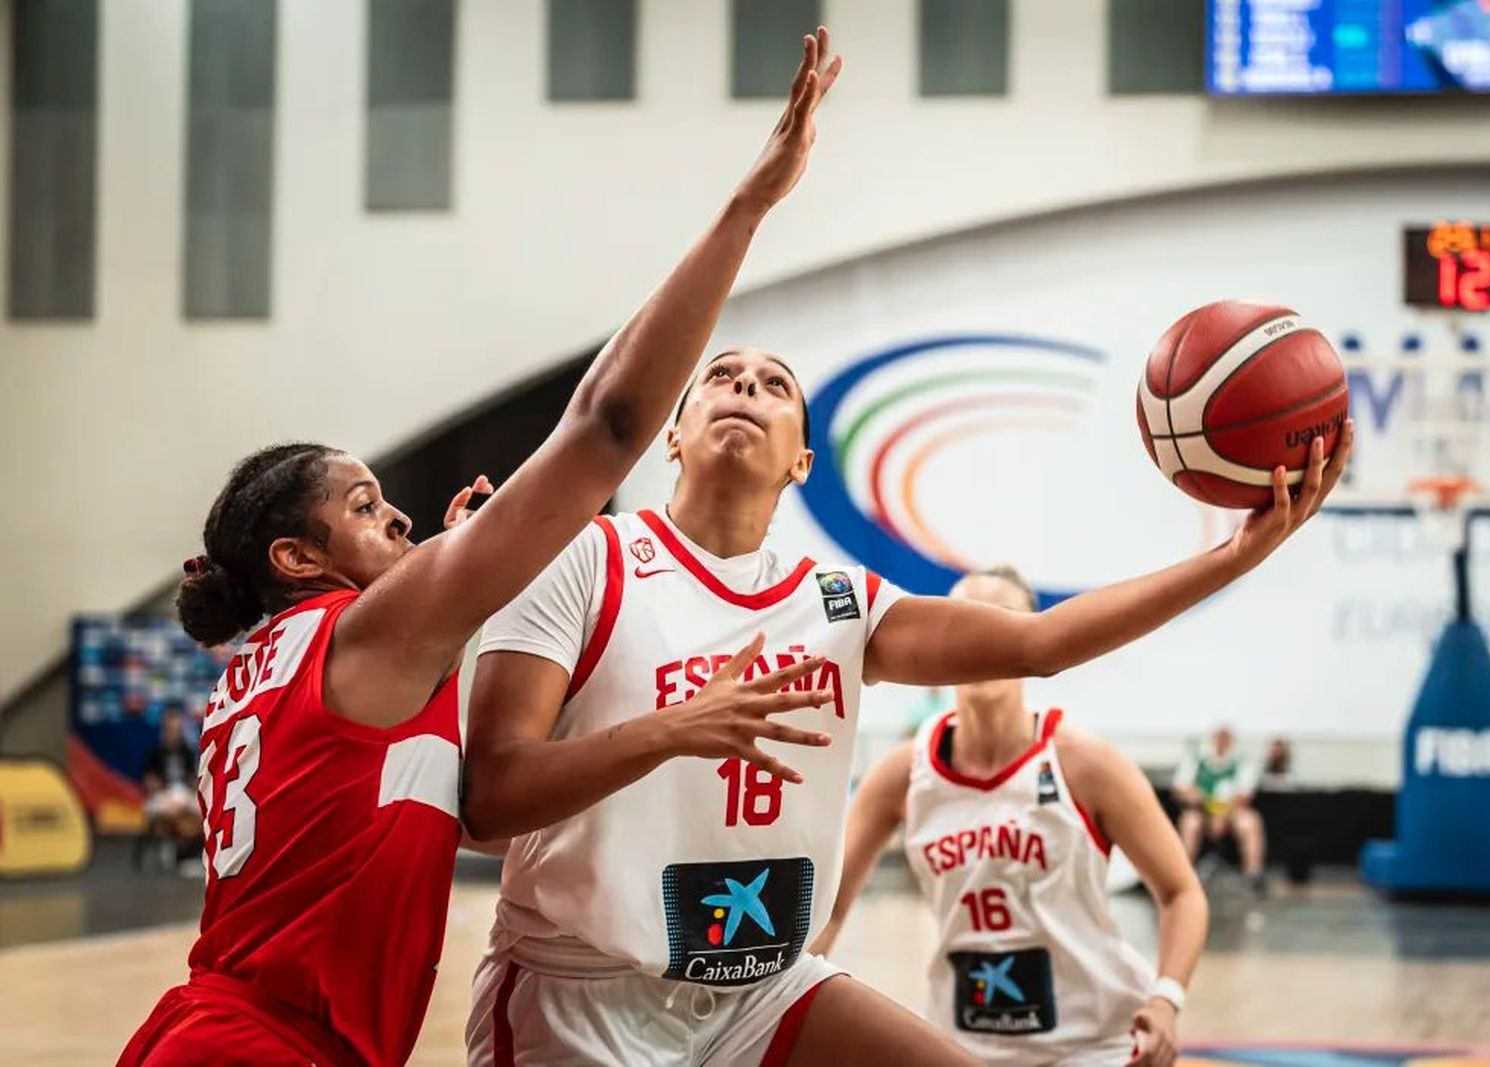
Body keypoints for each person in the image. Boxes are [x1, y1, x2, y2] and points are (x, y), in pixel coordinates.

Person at [463, 61, 1355, 1062]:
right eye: (721, 376)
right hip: (584, 990)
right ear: (672, 434)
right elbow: (489, 804)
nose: (745, 385)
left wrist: (1240, 553)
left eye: (772, 382)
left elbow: (1041, 641)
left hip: (760, 987)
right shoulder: (586, 557)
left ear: (803, 457)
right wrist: (672, 729)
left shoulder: (839, 601)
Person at [116, 33, 842, 1067]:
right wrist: (749, 204)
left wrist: (456, 567)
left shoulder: (278, 662)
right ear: (295, 558)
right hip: (263, 1045)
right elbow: (604, 423)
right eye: (367, 507)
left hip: (222, 1026)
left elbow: (424, 797)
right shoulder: (362, 633)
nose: (400, 519)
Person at [808, 566, 1208, 1066]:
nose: (983, 640)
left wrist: (1167, 998)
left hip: (1098, 1044)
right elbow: (830, 907)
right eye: (966, 622)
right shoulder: (903, 773)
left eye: (1000, 621)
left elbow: (1181, 892)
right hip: (963, 1045)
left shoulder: (1085, 762)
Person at [1173, 725, 1267, 896]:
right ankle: (1183, 875)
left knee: (1250, 821)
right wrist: (1197, 799)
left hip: (1231, 813)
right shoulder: (1198, 760)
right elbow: (1182, 789)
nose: (1222, 742)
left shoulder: (1241, 762)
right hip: (1202, 812)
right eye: (1219, 738)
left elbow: (1243, 797)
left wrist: (1222, 815)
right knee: (1190, 822)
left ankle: (1253, 875)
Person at [138, 707, 202, 872]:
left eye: (177, 729)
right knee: (169, 809)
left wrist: (191, 789)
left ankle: (189, 853)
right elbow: (149, 781)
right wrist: (163, 793)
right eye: (171, 729)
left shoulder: (186, 751)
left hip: (182, 794)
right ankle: (173, 849)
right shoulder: (154, 751)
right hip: (162, 796)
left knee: (203, 810)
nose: (174, 733)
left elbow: (192, 779)